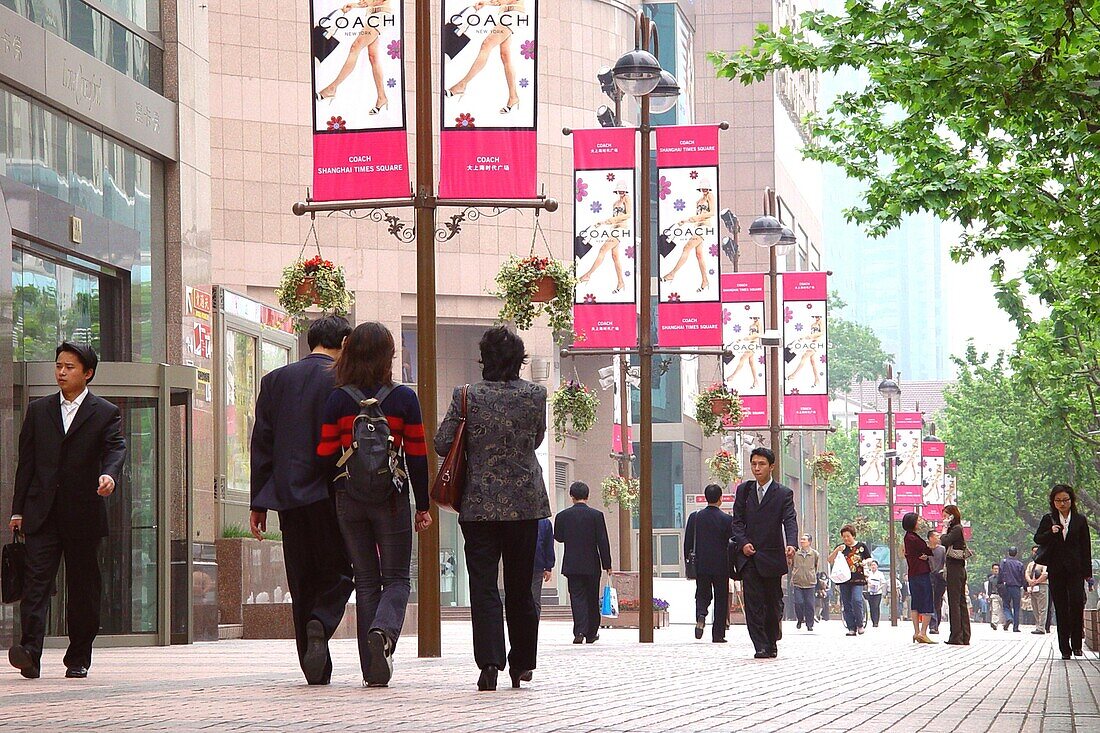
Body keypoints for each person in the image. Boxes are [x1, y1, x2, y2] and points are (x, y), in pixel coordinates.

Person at [317, 322, 433, 688]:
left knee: (366, 580)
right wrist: (423, 505)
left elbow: (323, 454)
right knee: (397, 578)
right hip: (393, 498)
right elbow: (417, 454)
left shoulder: (337, 399)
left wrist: (333, 493)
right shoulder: (403, 398)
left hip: (349, 498)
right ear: (388, 355)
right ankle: (383, 634)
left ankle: (371, 669)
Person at [436, 326, 550, 690]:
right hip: (525, 504)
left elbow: (442, 443)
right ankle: (522, 663)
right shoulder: (536, 394)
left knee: (483, 585)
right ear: (520, 360)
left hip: (479, 505)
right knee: (520, 587)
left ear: (483, 358)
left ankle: (489, 663)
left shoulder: (466, 395)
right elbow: (535, 439)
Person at [8, 343, 127, 680]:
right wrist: (18, 510)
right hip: (41, 514)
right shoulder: (39, 410)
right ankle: (30, 652)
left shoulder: (104, 412)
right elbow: (26, 465)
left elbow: (115, 448)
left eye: (69, 367)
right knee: (35, 585)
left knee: (83, 589)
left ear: (87, 373)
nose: (61, 372)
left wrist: (109, 475)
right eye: (58, 365)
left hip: (83, 515)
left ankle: (78, 657)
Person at [250, 316, 355, 686]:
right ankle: (322, 620)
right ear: (343, 341)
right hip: (331, 493)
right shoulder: (342, 380)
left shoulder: (275, 381)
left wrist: (258, 503)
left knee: (301, 578)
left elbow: (262, 442)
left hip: (288, 497)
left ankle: (314, 670)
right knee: (342, 570)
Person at [730, 447, 799, 659]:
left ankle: (772, 640)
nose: (757, 468)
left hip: (772, 555)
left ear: (771, 466)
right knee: (753, 603)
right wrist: (743, 543)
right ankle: (759, 644)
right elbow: (737, 521)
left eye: (761, 464)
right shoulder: (744, 491)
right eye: (754, 464)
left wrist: (792, 544)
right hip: (749, 556)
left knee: (773, 602)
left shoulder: (783, 493)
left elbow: (789, 520)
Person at [1034, 484, 1094, 659]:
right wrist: (1051, 532)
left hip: (1075, 569)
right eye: (1058, 500)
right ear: (1053, 502)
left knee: (1076, 603)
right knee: (1060, 607)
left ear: (1071, 500)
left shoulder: (1080, 520)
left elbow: (1086, 546)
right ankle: (1064, 648)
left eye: (1065, 500)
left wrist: (1087, 572)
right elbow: (1037, 538)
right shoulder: (1049, 519)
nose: (1062, 503)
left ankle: (1077, 644)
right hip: (1056, 569)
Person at [555, 482, 613, 645]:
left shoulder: (563, 516)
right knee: (592, 597)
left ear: (571, 496)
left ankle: (579, 630)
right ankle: (591, 633)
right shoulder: (596, 515)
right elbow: (603, 541)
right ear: (587, 496)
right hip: (592, 564)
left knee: (577, 597)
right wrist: (607, 564)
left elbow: (558, 537)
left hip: (572, 564)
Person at [316, 0, 395, 114]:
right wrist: (355, 5)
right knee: (373, 57)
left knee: (355, 47)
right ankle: (382, 97)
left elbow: (378, 1)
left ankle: (331, 88)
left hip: (381, 15)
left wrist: (358, 4)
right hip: (372, 15)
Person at [684, 484, 736, 642]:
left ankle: (701, 614)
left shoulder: (695, 517)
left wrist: (689, 561)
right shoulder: (727, 520)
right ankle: (718, 634)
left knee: (702, 593)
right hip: (721, 565)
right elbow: (732, 544)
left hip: (701, 564)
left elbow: (688, 543)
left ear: (706, 498)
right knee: (721, 599)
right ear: (720, 499)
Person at [827, 525, 872, 636]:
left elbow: (869, 557)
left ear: (853, 535)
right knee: (846, 603)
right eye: (844, 537)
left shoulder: (861, 546)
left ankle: (860, 624)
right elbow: (829, 560)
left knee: (857, 600)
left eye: (848, 536)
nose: (846, 539)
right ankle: (851, 627)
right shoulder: (841, 548)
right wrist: (837, 550)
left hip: (858, 578)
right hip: (844, 580)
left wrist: (865, 562)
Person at [901, 512, 936, 644]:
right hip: (921, 572)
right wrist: (927, 551)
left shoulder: (908, 538)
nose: (920, 522)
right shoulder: (914, 538)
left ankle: (916, 632)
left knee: (915, 602)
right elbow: (927, 549)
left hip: (913, 573)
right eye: (918, 520)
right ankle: (923, 632)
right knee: (927, 602)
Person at [940, 505, 971, 645]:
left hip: (955, 568)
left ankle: (956, 636)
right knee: (960, 602)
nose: (944, 518)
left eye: (946, 515)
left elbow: (944, 541)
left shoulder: (956, 528)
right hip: (957, 568)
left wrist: (944, 528)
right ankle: (964, 635)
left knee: (955, 602)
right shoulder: (957, 529)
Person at [791, 534, 820, 632]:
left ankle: (810, 624)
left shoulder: (815, 554)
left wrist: (812, 575)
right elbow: (791, 565)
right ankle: (800, 619)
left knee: (809, 604)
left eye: (804, 539)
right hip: (797, 582)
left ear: (809, 542)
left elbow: (816, 566)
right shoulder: (796, 554)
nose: (802, 541)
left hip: (810, 582)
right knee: (798, 602)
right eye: (801, 539)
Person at [532, 517, 555, 619]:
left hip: (533, 564)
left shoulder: (544, 522)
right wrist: (548, 566)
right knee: (535, 599)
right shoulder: (544, 522)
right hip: (537, 563)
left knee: (534, 599)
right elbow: (548, 545)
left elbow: (548, 544)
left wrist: (548, 566)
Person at [999, 547, 1026, 632]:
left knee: (1006, 605)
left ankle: (1009, 618)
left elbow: (1000, 573)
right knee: (1016, 607)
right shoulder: (1020, 564)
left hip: (1006, 586)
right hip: (1016, 588)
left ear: (1008, 553)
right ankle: (1016, 627)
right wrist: (1025, 587)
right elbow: (1023, 577)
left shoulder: (1004, 562)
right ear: (1016, 553)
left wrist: (999, 583)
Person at [1026, 545, 1049, 635]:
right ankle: (1037, 626)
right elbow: (1027, 573)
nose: (1035, 553)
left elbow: (1045, 574)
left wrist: (1036, 581)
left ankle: (1041, 627)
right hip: (1032, 588)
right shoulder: (1031, 564)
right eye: (1033, 551)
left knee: (1042, 608)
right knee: (1035, 607)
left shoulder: (1044, 563)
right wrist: (1030, 581)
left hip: (1042, 586)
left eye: (1036, 551)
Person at [927, 529, 947, 635]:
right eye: (936, 536)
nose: (938, 538)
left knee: (937, 602)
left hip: (940, 578)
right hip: (929, 577)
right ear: (930, 538)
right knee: (931, 601)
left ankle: (936, 624)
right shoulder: (925, 549)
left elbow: (945, 563)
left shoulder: (942, 549)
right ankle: (932, 625)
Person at [865, 560, 886, 629]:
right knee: (871, 607)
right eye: (872, 565)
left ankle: (876, 622)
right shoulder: (868, 573)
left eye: (874, 565)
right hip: (870, 592)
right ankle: (873, 621)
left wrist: (878, 588)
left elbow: (883, 583)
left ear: (877, 566)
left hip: (877, 592)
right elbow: (865, 581)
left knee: (876, 606)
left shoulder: (880, 574)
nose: (873, 566)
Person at [985, 564, 1004, 630]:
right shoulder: (990, 579)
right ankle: (994, 623)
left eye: (997, 569)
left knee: (1003, 609)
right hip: (994, 595)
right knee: (995, 610)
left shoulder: (1003, 577)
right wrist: (989, 596)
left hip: (1002, 596)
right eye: (994, 569)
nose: (996, 570)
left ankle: (1005, 623)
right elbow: (989, 588)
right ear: (992, 570)